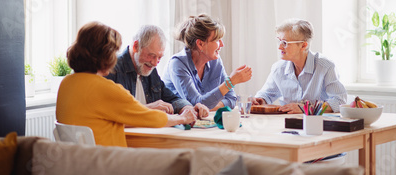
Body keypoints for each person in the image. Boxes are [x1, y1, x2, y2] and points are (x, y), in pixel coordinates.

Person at [56, 21, 196, 147]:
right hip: (111, 163)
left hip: (77, 164)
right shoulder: (106, 89)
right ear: (106, 56)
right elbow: (151, 118)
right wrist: (182, 118)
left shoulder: (66, 84)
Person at [106, 25, 209, 118]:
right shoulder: (111, 69)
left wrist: (187, 108)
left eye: (159, 57)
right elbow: (110, 112)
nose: (155, 63)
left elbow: (171, 98)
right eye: (151, 55)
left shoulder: (150, 70)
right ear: (136, 47)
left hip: (150, 133)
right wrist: (148, 108)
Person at [252, 19, 347, 113]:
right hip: (287, 123)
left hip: (317, 124)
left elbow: (339, 101)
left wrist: (306, 108)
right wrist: (260, 99)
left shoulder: (325, 66)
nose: (279, 47)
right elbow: (267, 94)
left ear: (303, 46)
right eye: (279, 41)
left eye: (284, 43)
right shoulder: (278, 68)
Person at [162, 14, 252, 111]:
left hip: (202, 122)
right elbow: (196, 104)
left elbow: (232, 100)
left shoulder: (216, 61)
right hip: (174, 123)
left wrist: (207, 107)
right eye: (217, 40)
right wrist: (230, 82)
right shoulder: (177, 64)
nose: (222, 44)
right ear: (200, 44)